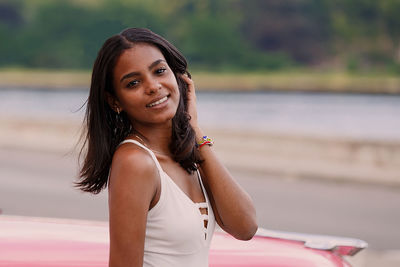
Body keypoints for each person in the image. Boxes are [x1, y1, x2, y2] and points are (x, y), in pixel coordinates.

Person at [77, 27, 257, 267]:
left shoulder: (188, 156)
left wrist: (195, 130)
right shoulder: (135, 163)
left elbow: (245, 226)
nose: (153, 86)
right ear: (115, 101)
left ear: (179, 77)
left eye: (160, 71)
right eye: (133, 83)